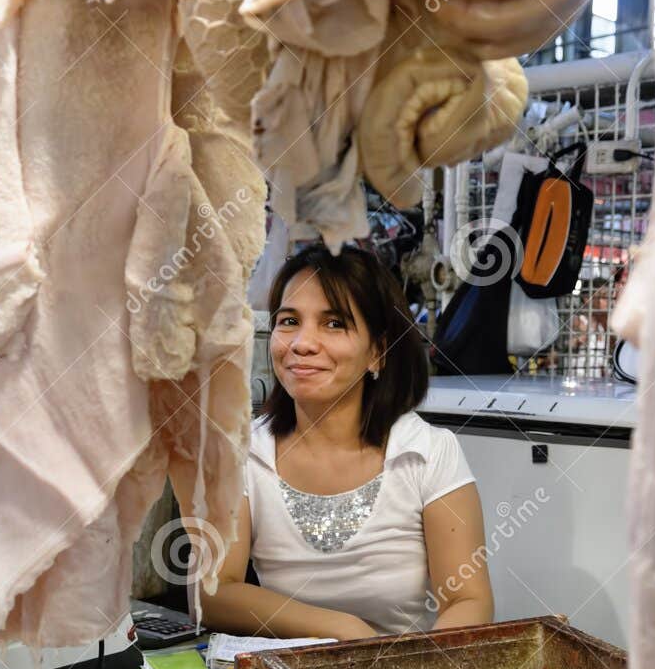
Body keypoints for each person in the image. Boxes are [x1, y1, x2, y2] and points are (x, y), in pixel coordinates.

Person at [201, 243, 495, 640]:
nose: (302, 343)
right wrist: (343, 629)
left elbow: (469, 600)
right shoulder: (243, 452)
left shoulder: (427, 453)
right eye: (289, 321)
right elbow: (213, 591)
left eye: (334, 323)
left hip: (405, 668)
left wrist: (415, 664)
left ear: (378, 352)